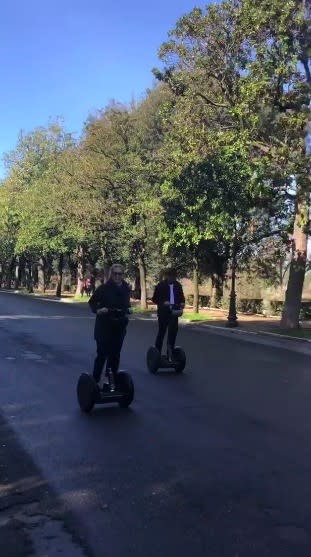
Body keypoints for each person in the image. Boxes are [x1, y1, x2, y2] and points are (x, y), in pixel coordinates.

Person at [88, 263, 131, 386]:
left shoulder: (126, 288)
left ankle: (110, 379)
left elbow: (126, 304)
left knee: (115, 355)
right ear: (111, 274)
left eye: (120, 274)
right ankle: (94, 381)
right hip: (104, 326)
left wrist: (128, 309)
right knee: (102, 354)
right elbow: (92, 302)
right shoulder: (104, 288)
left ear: (122, 275)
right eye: (115, 273)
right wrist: (98, 310)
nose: (117, 276)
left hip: (119, 326)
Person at [152, 268, 185, 360]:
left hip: (174, 312)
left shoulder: (178, 285)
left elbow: (182, 297)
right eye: (170, 276)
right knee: (161, 333)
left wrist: (182, 302)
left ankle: (169, 354)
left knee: (172, 334)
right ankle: (157, 354)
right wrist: (163, 302)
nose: (172, 279)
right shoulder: (160, 285)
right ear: (166, 276)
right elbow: (154, 299)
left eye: (174, 277)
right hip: (163, 313)